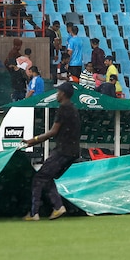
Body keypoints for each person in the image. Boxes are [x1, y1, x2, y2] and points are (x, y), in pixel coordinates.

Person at [23, 82, 80, 221]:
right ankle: (57, 207)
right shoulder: (73, 109)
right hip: (73, 152)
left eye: (58, 91)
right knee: (47, 177)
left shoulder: (63, 109)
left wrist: (33, 140)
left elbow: (53, 132)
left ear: (63, 94)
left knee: (39, 178)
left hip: (62, 151)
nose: (56, 94)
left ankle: (34, 213)